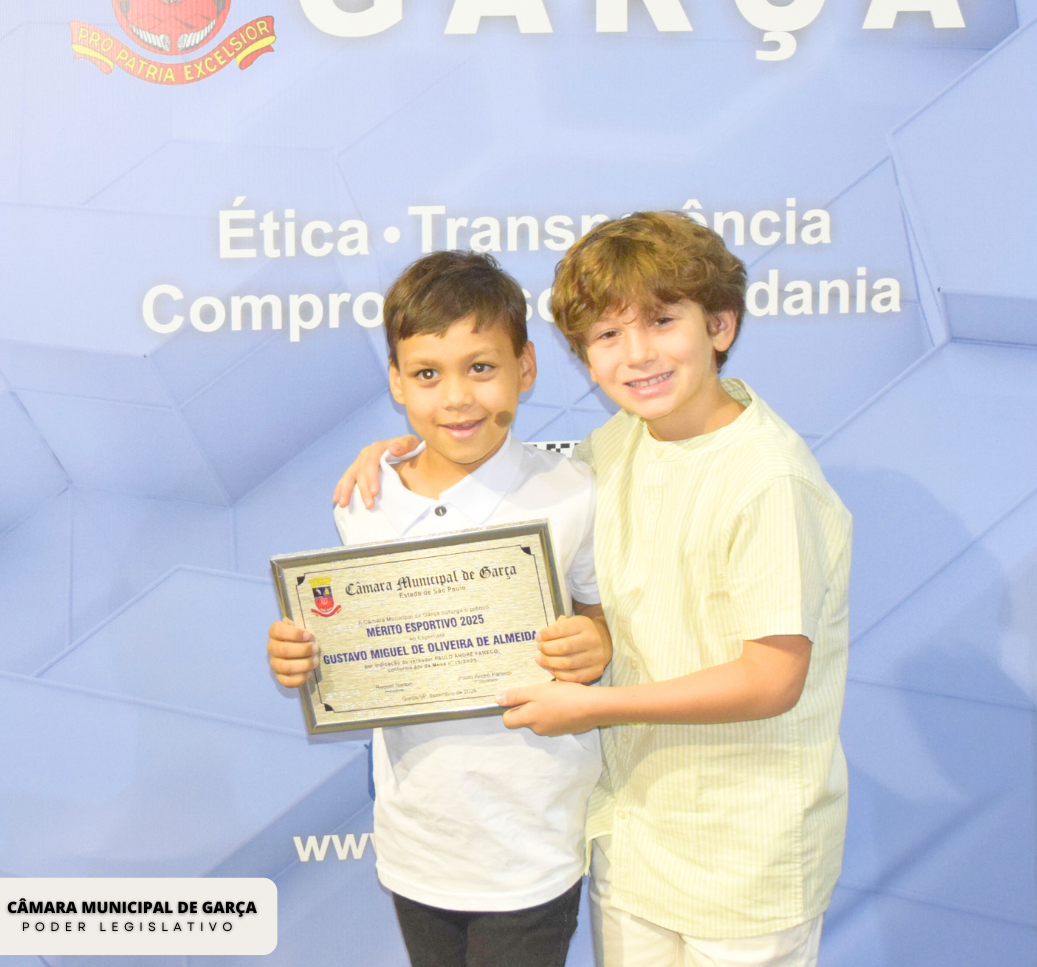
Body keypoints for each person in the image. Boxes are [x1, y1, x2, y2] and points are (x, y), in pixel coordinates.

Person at [333, 213, 850, 967]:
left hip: (744, 854)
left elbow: (773, 678)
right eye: (608, 335)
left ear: (720, 324)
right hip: (634, 841)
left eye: (662, 322)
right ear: (581, 355)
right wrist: (405, 452)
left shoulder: (768, 478)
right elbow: (511, 475)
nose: (637, 354)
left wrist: (591, 705)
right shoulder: (620, 442)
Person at [267, 250, 611, 967]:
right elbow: (353, 647)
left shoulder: (573, 492)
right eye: (427, 374)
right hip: (417, 841)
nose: (456, 397)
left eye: (480, 367)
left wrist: (596, 644)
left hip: (533, 837)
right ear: (396, 381)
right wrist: (304, 657)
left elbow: (600, 617)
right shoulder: (364, 501)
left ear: (525, 367)